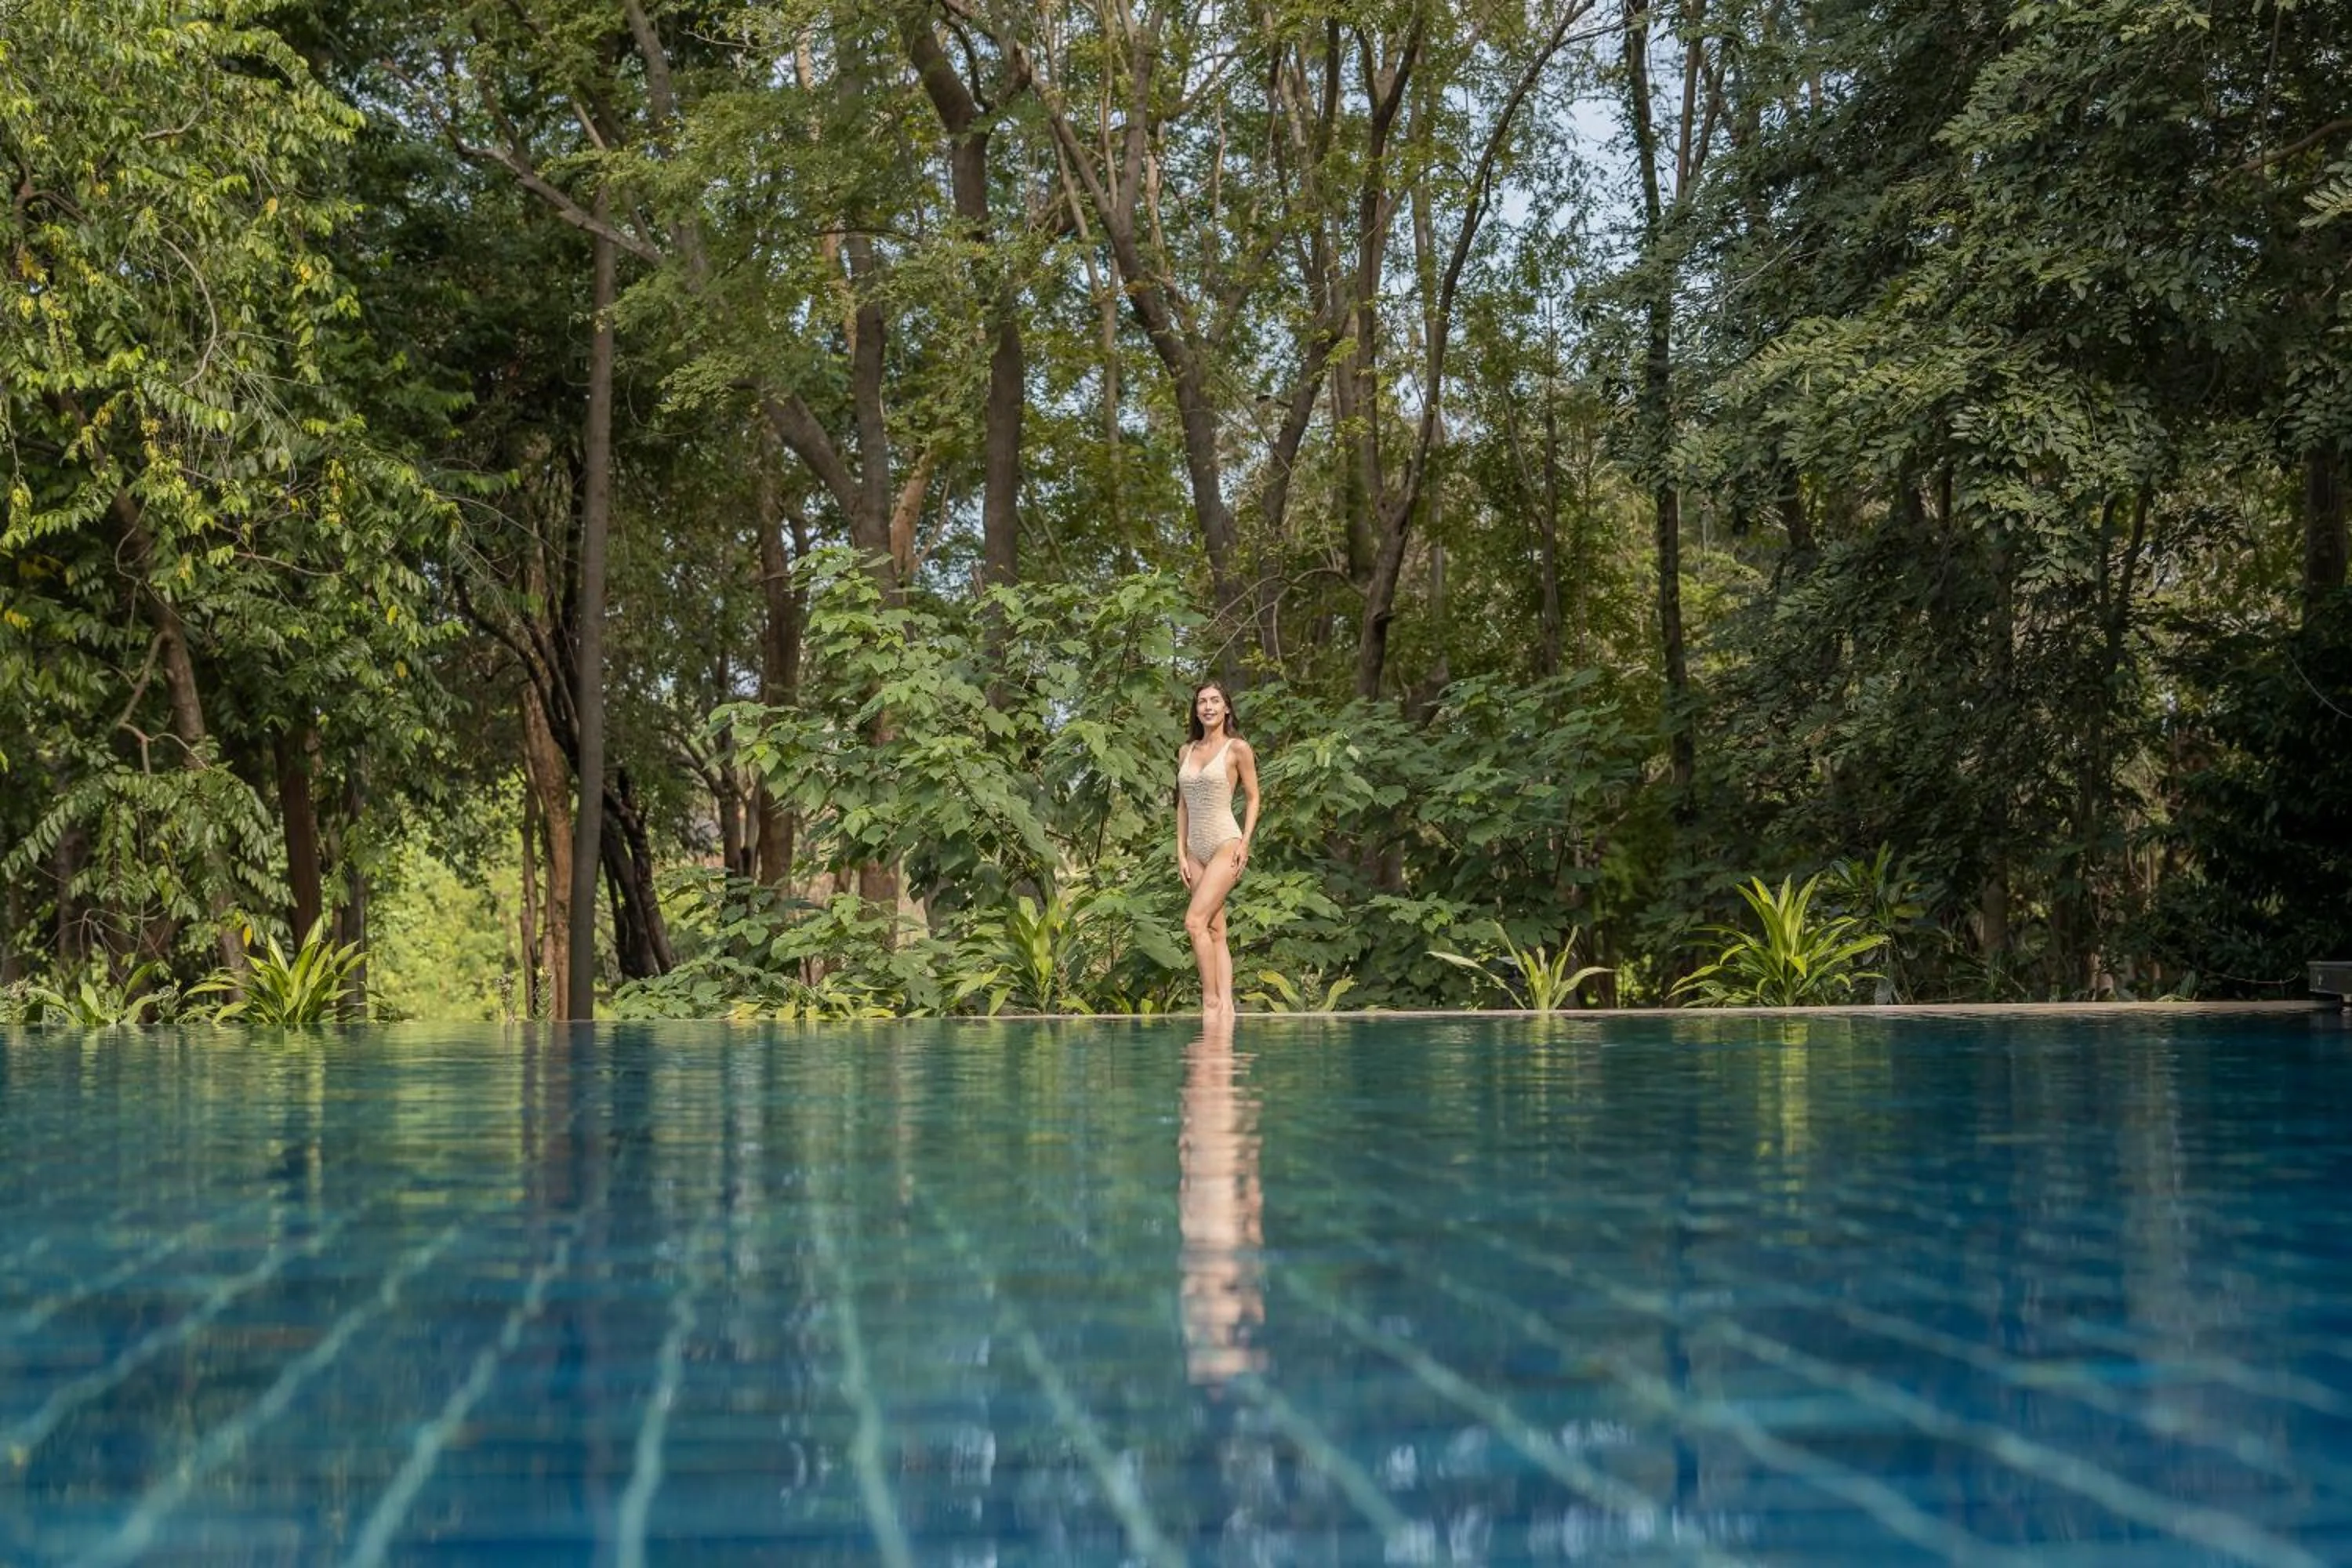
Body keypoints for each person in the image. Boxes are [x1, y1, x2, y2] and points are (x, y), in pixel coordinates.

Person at [1174, 683, 1261, 1022]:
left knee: (1194, 922)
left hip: (1226, 842)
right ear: (1196, 710)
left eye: (1215, 701)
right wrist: (1180, 852)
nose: (1208, 707)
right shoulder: (1186, 751)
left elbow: (1253, 797)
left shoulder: (1237, 749)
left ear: (1226, 708)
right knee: (1214, 931)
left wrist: (1245, 842)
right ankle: (1226, 1008)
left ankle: (1209, 1003)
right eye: (1202, 702)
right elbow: (1182, 805)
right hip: (1195, 849)